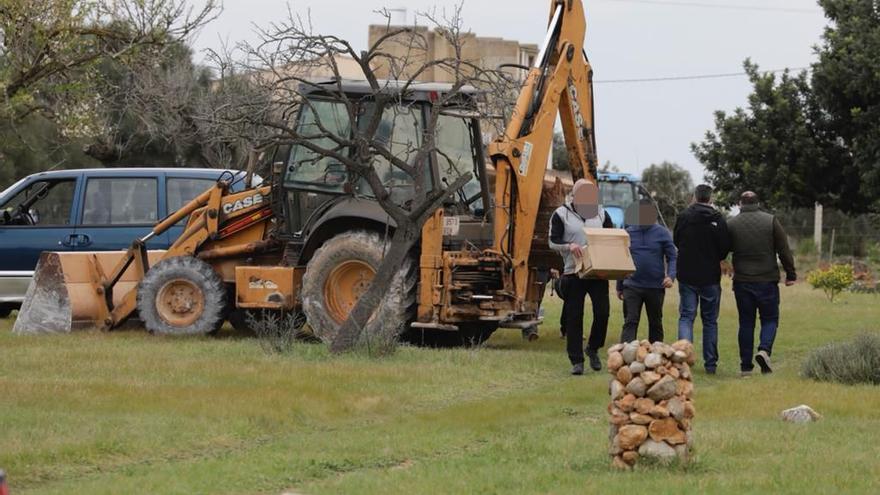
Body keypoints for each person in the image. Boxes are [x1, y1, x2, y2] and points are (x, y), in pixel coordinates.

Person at [727, 191, 797, 376]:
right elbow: (783, 249)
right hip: (767, 280)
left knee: (746, 323)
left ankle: (745, 368)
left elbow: (722, 249)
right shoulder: (771, 220)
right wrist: (791, 274)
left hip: (742, 281)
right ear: (758, 203)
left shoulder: (731, 224)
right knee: (770, 319)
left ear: (740, 203)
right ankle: (764, 350)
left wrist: (723, 264)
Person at [549, 178, 614, 375]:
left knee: (602, 313)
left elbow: (612, 238)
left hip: (598, 271)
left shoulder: (602, 214)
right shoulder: (561, 214)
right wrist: (570, 246)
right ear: (575, 195)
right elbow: (552, 241)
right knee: (574, 316)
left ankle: (593, 348)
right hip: (573, 272)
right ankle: (577, 361)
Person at [673, 184, 730, 374]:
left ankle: (682, 359)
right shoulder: (718, 219)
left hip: (687, 274)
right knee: (710, 321)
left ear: (695, 197)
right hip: (710, 276)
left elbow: (676, 240)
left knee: (687, 317)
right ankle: (710, 364)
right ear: (710, 198)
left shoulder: (684, 217)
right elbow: (724, 248)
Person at [616, 199, 677, 343]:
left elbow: (673, 256)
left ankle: (656, 359)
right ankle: (626, 357)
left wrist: (671, 276)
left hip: (655, 287)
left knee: (655, 323)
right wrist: (619, 286)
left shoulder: (662, 233)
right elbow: (622, 259)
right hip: (632, 286)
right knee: (630, 321)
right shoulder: (628, 233)